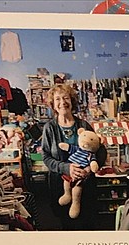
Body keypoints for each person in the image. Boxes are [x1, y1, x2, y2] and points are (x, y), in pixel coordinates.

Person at [40, 84, 103, 229]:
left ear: (72, 101)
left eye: (66, 98)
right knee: (66, 224)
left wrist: (88, 168)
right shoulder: (49, 128)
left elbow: (100, 151)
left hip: (85, 184)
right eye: (58, 99)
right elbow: (46, 157)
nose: (62, 102)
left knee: (88, 224)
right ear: (53, 104)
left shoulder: (83, 125)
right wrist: (66, 168)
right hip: (61, 185)